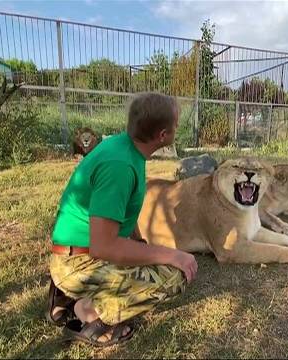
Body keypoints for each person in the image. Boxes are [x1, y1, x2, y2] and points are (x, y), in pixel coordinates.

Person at [46, 92, 198, 347]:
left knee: (159, 259)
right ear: (162, 136)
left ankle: (66, 297)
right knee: (174, 275)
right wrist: (172, 256)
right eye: (176, 124)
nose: (178, 128)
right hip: (78, 263)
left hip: (80, 252)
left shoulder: (125, 147)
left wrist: (141, 242)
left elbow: (122, 213)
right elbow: (104, 246)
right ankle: (90, 314)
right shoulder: (120, 166)